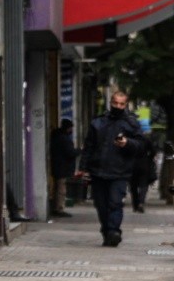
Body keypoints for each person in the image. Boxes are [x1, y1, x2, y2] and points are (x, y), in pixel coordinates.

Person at [77, 91, 144, 247]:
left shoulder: (131, 124)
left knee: (115, 203)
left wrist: (127, 143)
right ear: (111, 103)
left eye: (122, 104)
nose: (118, 106)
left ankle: (114, 231)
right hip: (98, 171)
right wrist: (83, 168)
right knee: (101, 205)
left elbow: (141, 147)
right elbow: (89, 146)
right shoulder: (98, 123)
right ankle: (107, 231)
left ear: (126, 105)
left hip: (120, 172)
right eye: (115, 103)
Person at [50, 119, 79, 218]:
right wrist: (79, 150)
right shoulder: (64, 139)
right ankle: (59, 208)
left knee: (57, 188)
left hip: (57, 166)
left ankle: (55, 207)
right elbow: (70, 153)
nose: (71, 130)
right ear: (68, 128)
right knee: (61, 189)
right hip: (62, 168)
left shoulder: (56, 137)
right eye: (71, 128)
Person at [129, 132, 156, 213]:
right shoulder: (146, 139)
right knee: (144, 185)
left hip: (132, 164)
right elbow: (153, 151)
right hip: (144, 163)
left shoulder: (130, 139)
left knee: (133, 186)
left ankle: (135, 205)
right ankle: (141, 202)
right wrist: (149, 158)